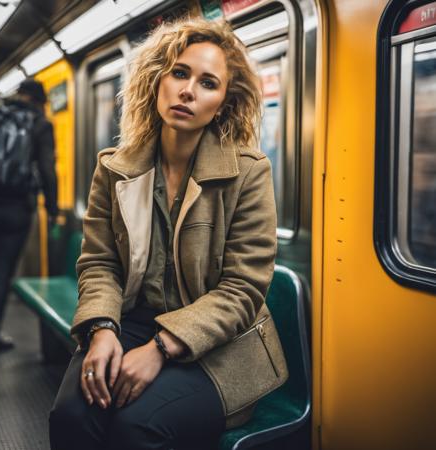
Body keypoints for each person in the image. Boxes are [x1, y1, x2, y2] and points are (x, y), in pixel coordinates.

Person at [49, 17, 287, 450]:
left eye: (208, 83)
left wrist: (159, 348)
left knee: (137, 428)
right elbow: (100, 262)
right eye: (179, 73)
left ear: (223, 103)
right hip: (130, 322)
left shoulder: (249, 173)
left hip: (218, 346)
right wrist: (102, 330)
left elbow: (242, 288)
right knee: (70, 415)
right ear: (157, 79)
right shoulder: (115, 169)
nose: (188, 91)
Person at [0, 79, 59, 352]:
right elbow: (47, 169)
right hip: (15, 209)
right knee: (0, 273)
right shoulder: (40, 123)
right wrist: (52, 209)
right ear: (39, 100)